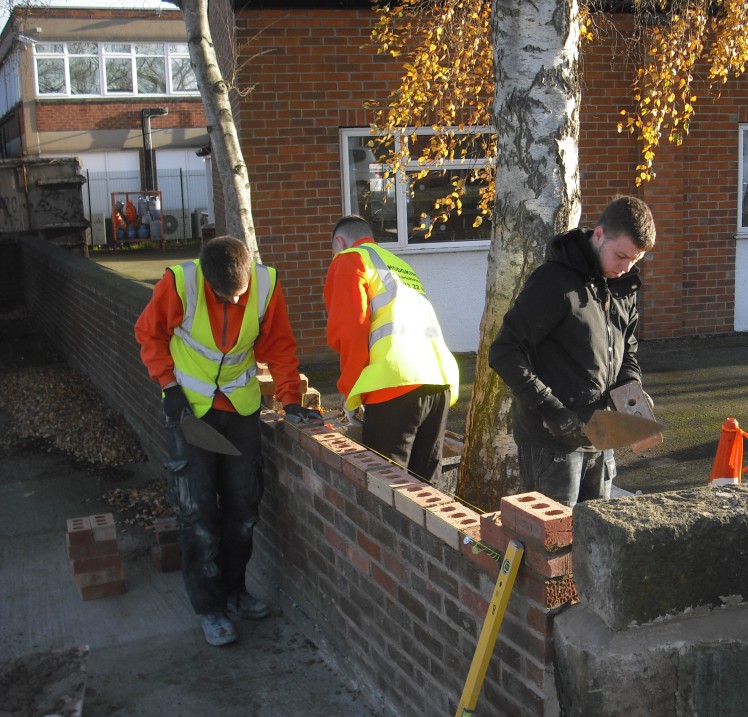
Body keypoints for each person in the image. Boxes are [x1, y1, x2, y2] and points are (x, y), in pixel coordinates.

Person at [135, 236, 322, 647]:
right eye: (225, 298)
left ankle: (237, 592)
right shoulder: (179, 283)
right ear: (207, 278)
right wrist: (169, 387)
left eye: (239, 297)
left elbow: (280, 347)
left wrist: (290, 400)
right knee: (197, 515)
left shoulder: (266, 286)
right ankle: (210, 608)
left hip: (241, 409)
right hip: (191, 412)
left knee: (243, 511)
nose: (234, 304)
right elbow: (149, 335)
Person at [488, 196, 656, 507]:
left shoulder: (621, 286)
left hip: (602, 435)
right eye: (621, 256)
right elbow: (504, 351)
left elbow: (627, 348)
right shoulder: (554, 283)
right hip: (551, 443)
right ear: (599, 235)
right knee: (552, 543)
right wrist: (551, 408)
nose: (625, 268)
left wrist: (631, 389)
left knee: (596, 538)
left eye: (634, 260)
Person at [324, 215, 460, 485]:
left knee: (388, 489)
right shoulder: (397, 264)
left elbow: (350, 329)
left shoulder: (349, 259)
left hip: (394, 385)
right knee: (428, 490)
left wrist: (351, 392)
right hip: (439, 381)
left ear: (339, 242)